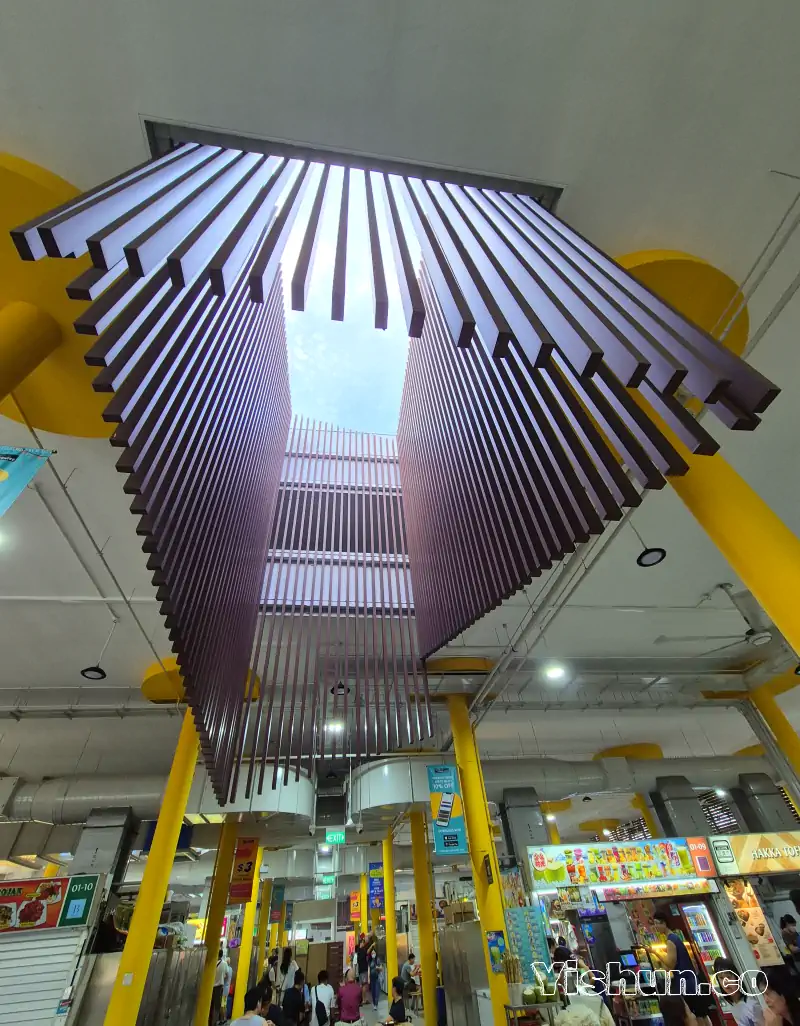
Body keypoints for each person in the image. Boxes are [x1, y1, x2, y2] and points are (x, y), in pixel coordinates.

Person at [651, 907, 712, 1026]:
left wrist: (655, 952)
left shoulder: (670, 940)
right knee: (702, 1012)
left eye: (657, 924)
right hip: (690, 980)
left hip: (686, 983)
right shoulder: (675, 937)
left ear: (664, 923)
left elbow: (670, 963)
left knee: (696, 1013)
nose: (656, 927)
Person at [713, 956, 764, 1026]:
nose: (726, 982)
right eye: (721, 978)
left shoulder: (752, 1006)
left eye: (729, 977)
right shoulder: (734, 1006)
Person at [211, 947, 233, 1026]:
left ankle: (210, 1021)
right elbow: (227, 975)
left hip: (211, 987)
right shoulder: (224, 964)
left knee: (211, 1006)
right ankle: (215, 1022)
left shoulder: (212, 962)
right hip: (220, 987)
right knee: (217, 1006)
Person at [356, 938, 370, 1004]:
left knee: (362, 985)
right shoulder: (362, 951)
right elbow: (367, 952)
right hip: (363, 970)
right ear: (361, 943)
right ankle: (364, 1000)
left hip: (360, 970)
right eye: (363, 943)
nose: (364, 944)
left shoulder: (358, 951)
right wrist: (372, 946)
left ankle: (364, 999)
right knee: (364, 985)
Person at [369, 946, 383, 1010]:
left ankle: (376, 1004)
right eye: (372, 953)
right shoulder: (370, 960)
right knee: (373, 992)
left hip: (377, 978)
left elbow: (381, 968)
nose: (373, 954)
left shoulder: (378, 959)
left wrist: (378, 968)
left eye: (374, 953)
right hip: (372, 978)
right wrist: (368, 978)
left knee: (377, 991)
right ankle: (374, 1004)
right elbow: (369, 968)